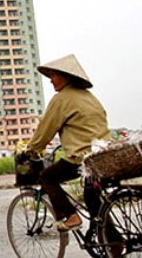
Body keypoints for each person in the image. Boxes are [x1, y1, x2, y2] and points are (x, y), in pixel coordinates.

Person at [25, 54, 111, 231]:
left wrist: (32, 150)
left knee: (47, 177)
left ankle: (71, 216)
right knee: (92, 196)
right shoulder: (90, 97)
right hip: (103, 154)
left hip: (81, 157)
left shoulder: (62, 99)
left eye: (53, 76)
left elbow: (45, 130)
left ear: (66, 76)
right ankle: (115, 242)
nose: (51, 81)